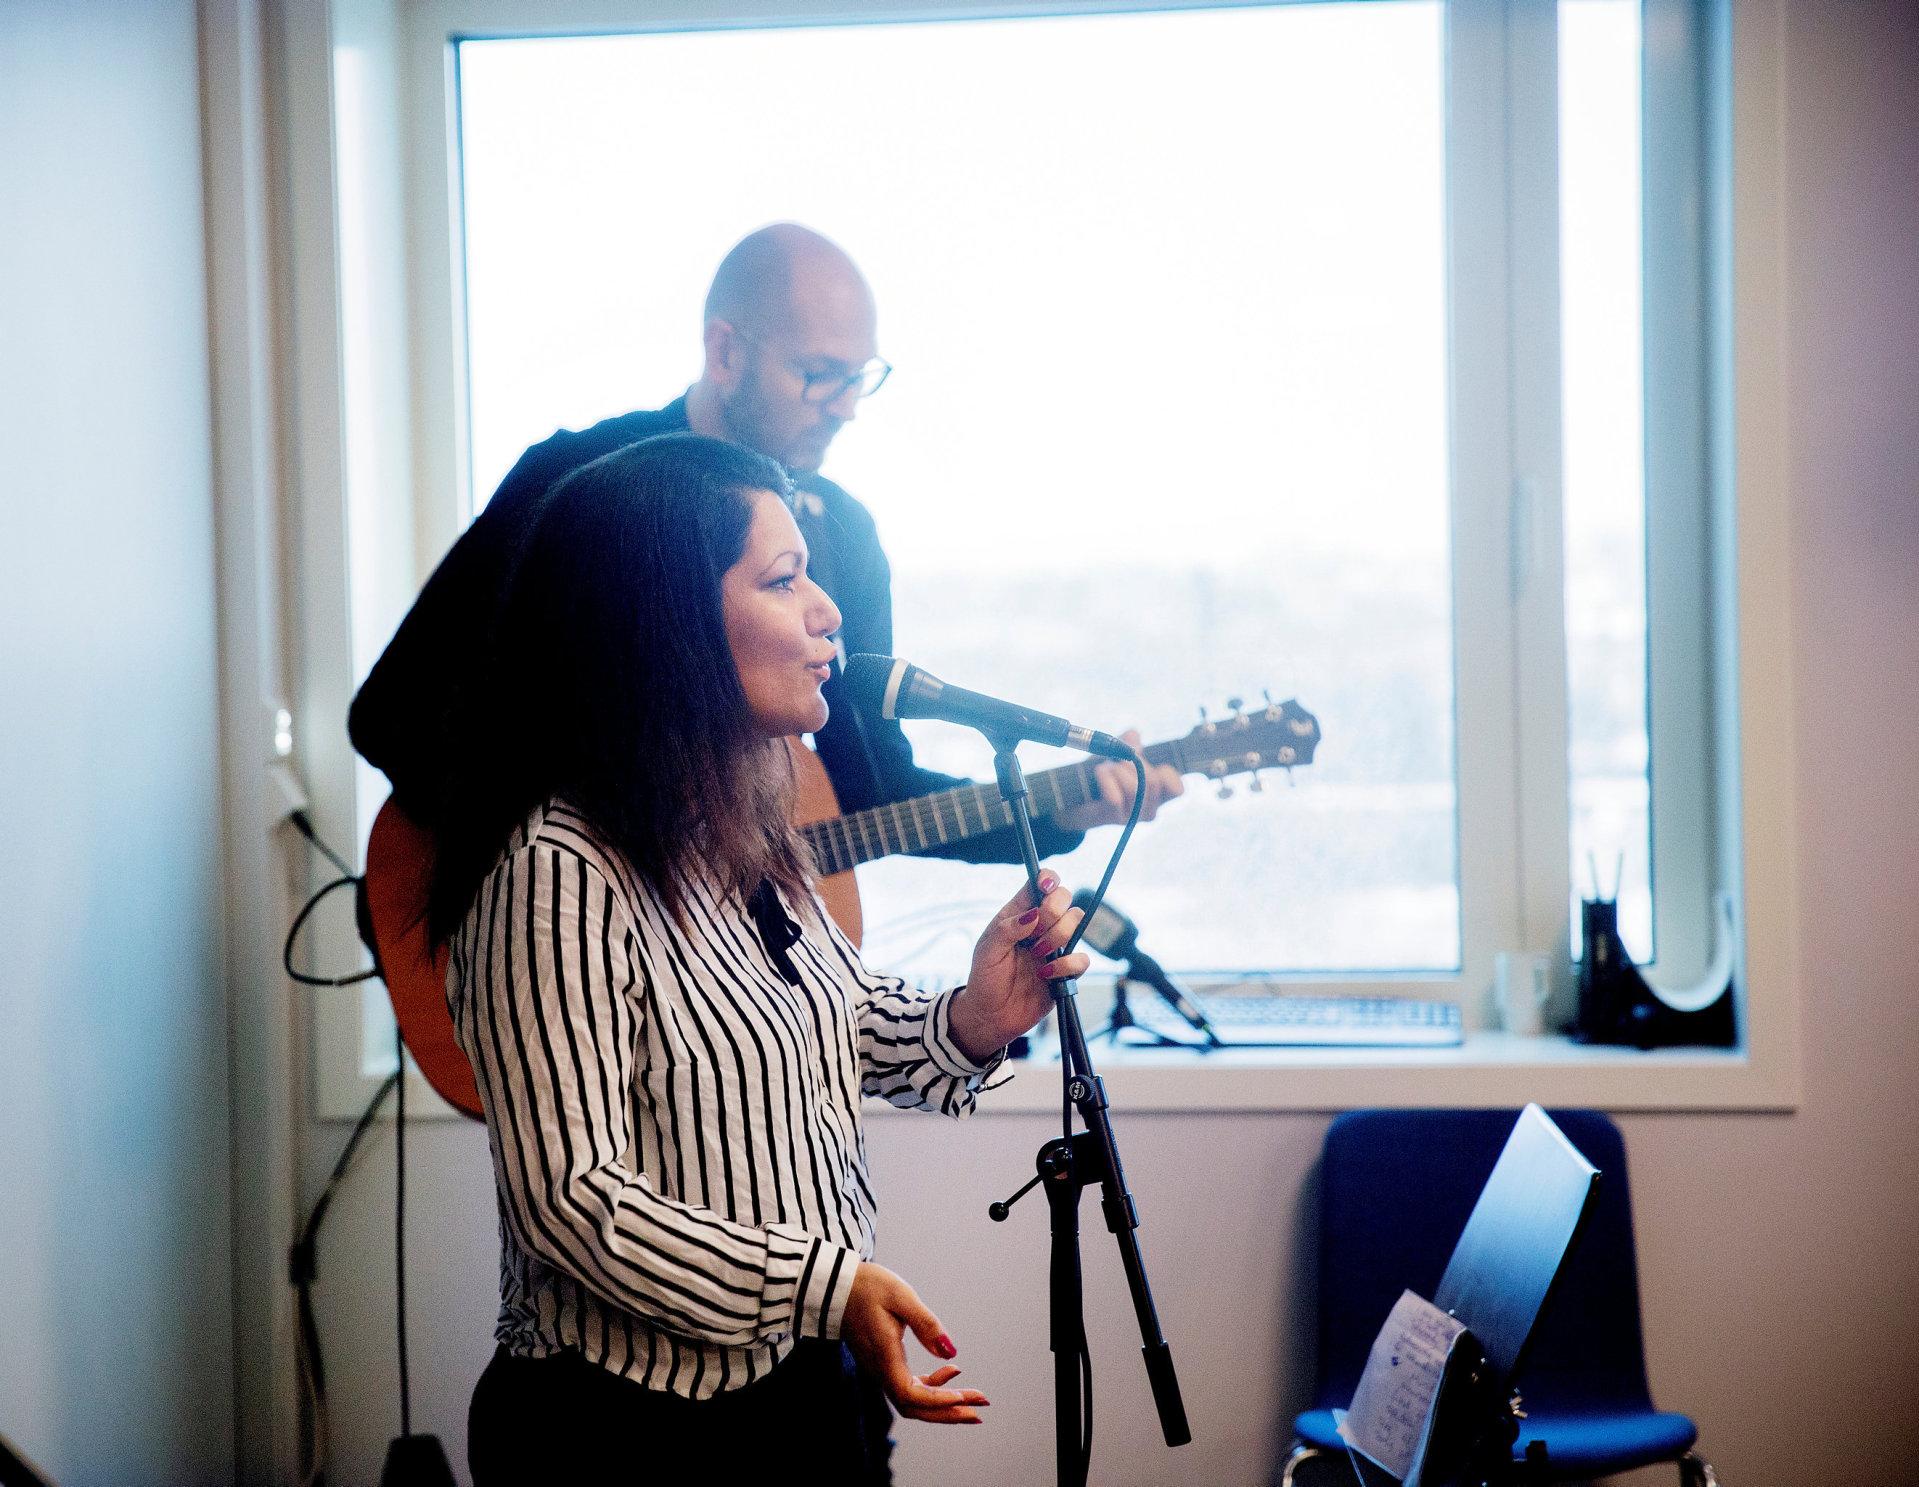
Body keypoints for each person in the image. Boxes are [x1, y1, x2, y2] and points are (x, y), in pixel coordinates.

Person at [439, 434, 1086, 1482]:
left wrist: (975, 1011)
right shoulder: (552, 868)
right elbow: (574, 1199)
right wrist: (827, 1285)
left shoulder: (738, 819)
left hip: (811, 1390)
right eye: (784, 579)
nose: (827, 610)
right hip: (627, 1432)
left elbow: (827, 1010)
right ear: (669, 622)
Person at [349, 222, 1180, 867]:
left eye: (859, 377)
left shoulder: (843, 537)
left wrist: (1062, 809)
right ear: (724, 351)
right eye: (818, 373)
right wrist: (572, 857)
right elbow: (392, 718)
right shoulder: (575, 480)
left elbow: (871, 792)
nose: (844, 405)